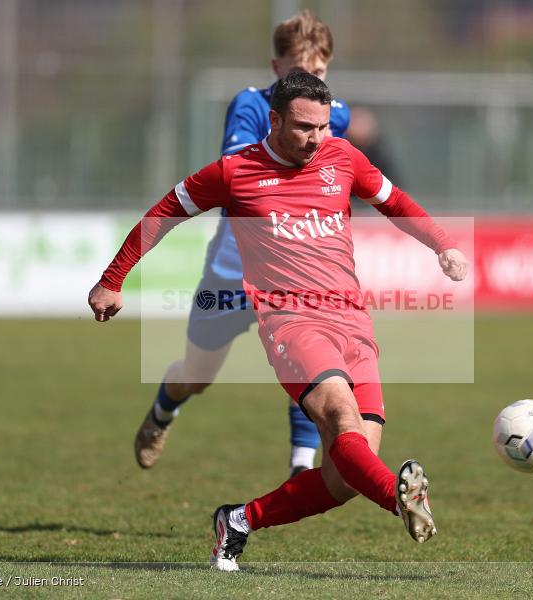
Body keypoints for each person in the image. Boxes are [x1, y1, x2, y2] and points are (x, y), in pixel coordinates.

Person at [89, 72, 469, 570]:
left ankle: (239, 520)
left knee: (342, 477)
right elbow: (163, 214)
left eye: (323, 126)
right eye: (304, 127)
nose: (316, 137)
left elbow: (394, 202)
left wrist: (444, 245)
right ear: (274, 119)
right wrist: (112, 279)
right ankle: (397, 499)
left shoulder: (343, 157)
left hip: (353, 322)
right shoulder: (234, 172)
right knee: (340, 417)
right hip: (291, 323)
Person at [133, 10, 351, 478]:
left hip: (296, 275)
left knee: (312, 367)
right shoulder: (251, 107)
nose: (310, 82)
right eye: (300, 72)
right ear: (276, 69)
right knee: (197, 376)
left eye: (319, 72)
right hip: (233, 272)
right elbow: (239, 176)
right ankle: (162, 411)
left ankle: (301, 468)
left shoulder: (338, 115)